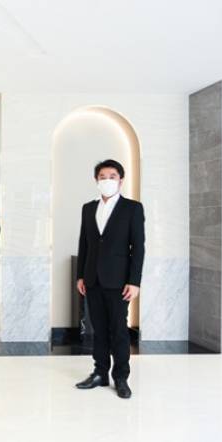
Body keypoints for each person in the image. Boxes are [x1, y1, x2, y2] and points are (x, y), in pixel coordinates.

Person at [75, 159, 145, 399]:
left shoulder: (132, 208)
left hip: (119, 281)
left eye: (112, 176)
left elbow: (139, 248)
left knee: (119, 330)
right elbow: (84, 243)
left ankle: (121, 377)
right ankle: (100, 373)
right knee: (99, 329)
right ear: (96, 180)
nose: (107, 180)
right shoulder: (88, 208)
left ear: (120, 180)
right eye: (102, 177)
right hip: (92, 279)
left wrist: (134, 281)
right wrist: (80, 276)